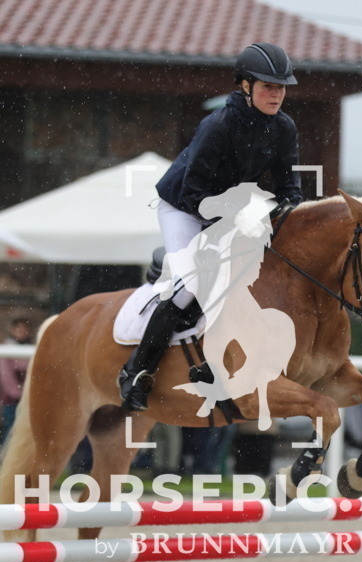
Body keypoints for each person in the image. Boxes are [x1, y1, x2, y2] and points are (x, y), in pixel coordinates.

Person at [118, 42, 303, 411]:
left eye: (281, 88)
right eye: (268, 86)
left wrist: (285, 220)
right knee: (190, 283)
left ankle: (216, 364)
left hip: (231, 210)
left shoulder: (284, 128)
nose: (276, 94)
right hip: (184, 208)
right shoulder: (217, 125)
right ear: (245, 86)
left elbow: (290, 191)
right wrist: (238, 216)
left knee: (251, 276)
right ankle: (137, 372)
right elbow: (194, 193)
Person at [0, 317, 32, 443]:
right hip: (12, 399)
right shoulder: (7, 348)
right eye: (18, 329)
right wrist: (18, 393)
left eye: (24, 329)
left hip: (28, 397)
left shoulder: (31, 348)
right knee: (11, 429)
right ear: (12, 330)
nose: (22, 332)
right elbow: (6, 375)